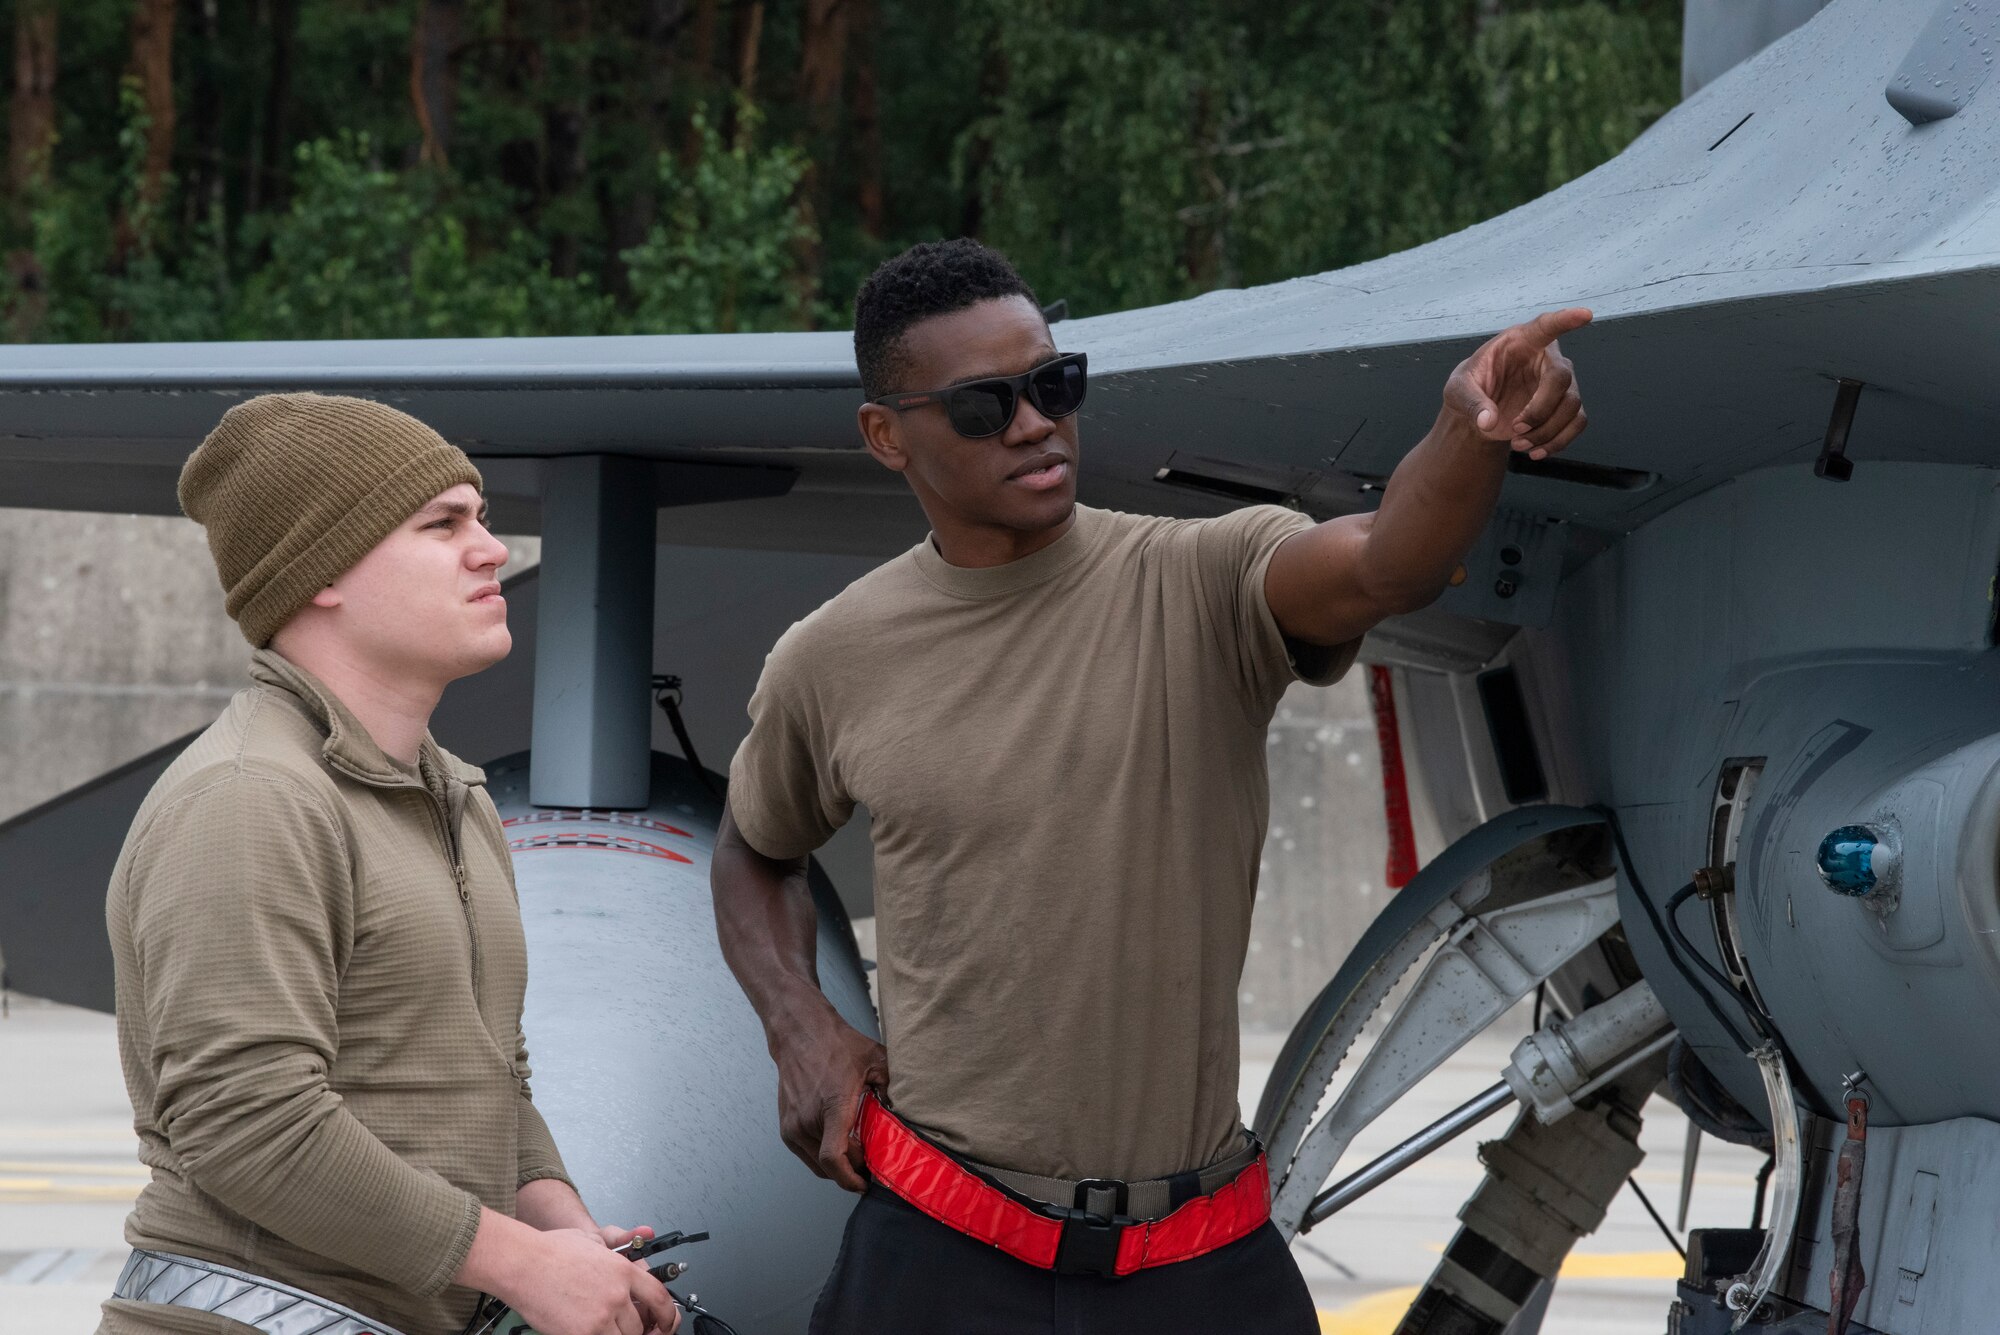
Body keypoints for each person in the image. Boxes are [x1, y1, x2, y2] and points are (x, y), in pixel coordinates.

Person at [711, 239, 1590, 1332]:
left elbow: (1387, 564)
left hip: (1200, 1261)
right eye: (985, 406)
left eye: (1052, 385)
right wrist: (801, 1028)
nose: (1034, 423)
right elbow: (756, 850)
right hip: (942, 1250)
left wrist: (1468, 429)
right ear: (886, 435)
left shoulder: (1206, 581)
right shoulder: (831, 657)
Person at [100, 393, 679, 1335]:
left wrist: (569, 1238)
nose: (491, 547)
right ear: (321, 571)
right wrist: (523, 1265)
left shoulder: (453, 792)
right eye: (441, 523)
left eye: (482, 517)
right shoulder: (250, 797)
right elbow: (248, 1124)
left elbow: (492, 1077)